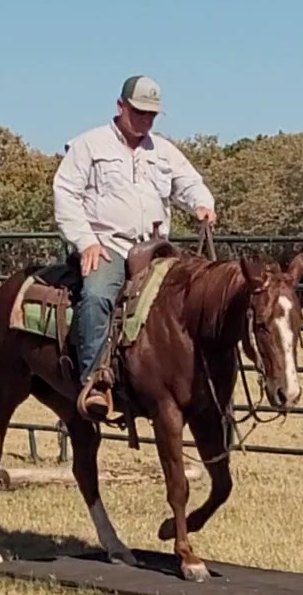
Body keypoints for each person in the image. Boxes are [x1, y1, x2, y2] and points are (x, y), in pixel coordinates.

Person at [52, 74, 216, 419]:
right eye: (139, 112)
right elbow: (66, 193)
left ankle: (200, 383)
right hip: (109, 247)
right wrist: (86, 242)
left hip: (157, 249)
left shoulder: (164, 151)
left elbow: (189, 182)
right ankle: (94, 381)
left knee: (196, 297)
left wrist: (202, 202)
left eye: (152, 115)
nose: (145, 120)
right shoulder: (89, 146)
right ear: (120, 106)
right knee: (97, 295)